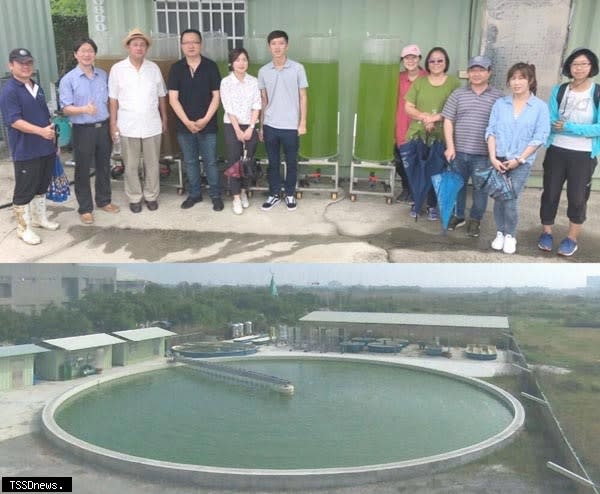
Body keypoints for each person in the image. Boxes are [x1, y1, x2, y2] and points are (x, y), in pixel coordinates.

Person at [538, 48, 600, 257]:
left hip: (583, 154)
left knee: (577, 197)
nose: (579, 68)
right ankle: (546, 232)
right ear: (569, 67)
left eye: (584, 64)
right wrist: (557, 126)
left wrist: (570, 127)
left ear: (591, 67)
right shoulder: (560, 89)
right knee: (550, 193)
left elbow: (598, 127)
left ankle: (571, 238)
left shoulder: (597, 92)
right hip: (557, 150)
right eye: (575, 64)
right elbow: (551, 119)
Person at [485, 63, 550, 254]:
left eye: (521, 78)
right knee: (498, 198)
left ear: (530, 80)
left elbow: (540, 136)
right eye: (513, 78)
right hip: (499, 158)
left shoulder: (539, 107)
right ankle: (499, 232)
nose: (516, 82)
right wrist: (492, 158)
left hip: (521, 162)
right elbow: (491, 131)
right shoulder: (501, 104)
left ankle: (510, 234)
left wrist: (519, 159)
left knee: (510, 198)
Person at [59, 37, 120, 225]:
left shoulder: (103, 74)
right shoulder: (68, 79)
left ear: (94, 54)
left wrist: (113, 125)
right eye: (82, 51)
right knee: (83, 169)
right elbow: (65, 108)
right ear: (76, 55)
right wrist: (84, 109)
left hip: (103, 127)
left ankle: (104, 201)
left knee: (103, 165)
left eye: (90, 51)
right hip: (82, 129)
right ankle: (85, 208)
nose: (87, 54)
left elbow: (111, 102)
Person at [0, 48, 57, 245]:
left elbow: (45, 116)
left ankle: (39, 218)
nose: (26, 66)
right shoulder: (9, 91)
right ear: (11, 65)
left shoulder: (36, 87)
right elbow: (14, 121)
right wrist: (41, 132)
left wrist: (52, 140)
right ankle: (23, 228)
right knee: (25, 189)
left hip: (45, 147)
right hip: (26, 150)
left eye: (28, 63)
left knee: (41, 186)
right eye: (20, 63)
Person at [442, 55, 504, 237]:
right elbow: (448, 120)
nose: (476, 74)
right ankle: (458, 216)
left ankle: (475, 219)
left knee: (480, 189)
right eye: (473, 70)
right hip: (459, 151)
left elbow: (504, 125)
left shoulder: (499, 97)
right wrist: (450, 146)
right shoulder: (458, 94)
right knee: (458, 186)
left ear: (489, 72)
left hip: (484, 154)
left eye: (481, 70)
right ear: (468, 73)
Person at [108, 28, 168, 213]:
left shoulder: (153, 68)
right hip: (127, 124)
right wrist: (113, 123)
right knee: (131, 165)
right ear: (128, 47)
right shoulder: (117, 69)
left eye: (142, 45)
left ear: (146, 48)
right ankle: (134, 197)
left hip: (152, 123)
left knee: (152, 164)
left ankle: (151, 195)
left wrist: (164, 118)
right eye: (135, 44)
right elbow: (113, 99)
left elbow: (161, 96)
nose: (139, 48)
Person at [168, 28, 223, 212]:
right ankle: (195, 194)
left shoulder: (211, 66)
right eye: (186, 42)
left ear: (200, 44)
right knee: (190, 161)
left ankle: (216, 195)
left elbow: (217, 96)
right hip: (185, 127)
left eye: (195, 42)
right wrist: (187, 122)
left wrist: (205, 120)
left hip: (208, 125)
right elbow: (173, 99)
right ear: (182, 45)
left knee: (211, 162)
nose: (191, 45)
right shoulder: (176, 68)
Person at [405, 46, 460, 220]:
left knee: (437, 172)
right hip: (417, 133)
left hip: (442, 135)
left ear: (446, 63)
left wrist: (435, 118)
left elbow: (456, 108)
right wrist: (424, 117)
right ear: (427, 63)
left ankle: (432, 205)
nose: (436, 63)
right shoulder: (420, 82)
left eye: (440, 60)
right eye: (432, 61)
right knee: (416, 171)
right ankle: (416, 202)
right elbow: (408, 106)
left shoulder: (453, 83)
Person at [258, 30, 308, 211]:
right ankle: (274, 193)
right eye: (273, 43)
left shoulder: (297, 68)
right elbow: (263, 100)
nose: (277, 47)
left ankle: (289, 193)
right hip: (270, 124)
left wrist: (302, 122)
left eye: (281, 43)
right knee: (273, 163)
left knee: (292, 162)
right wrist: (261, 126)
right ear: (269, 47)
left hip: (291, 125)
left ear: (287, 46)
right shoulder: (263, 71)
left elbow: (303, 97)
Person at [220, 48, 261, 215]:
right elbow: (228, 107)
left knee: (247, 161)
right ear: (232, 63)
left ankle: (244, 192)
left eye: (244, 59)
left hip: (250, 126)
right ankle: (236, 197)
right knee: (234, 162)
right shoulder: (226, 82)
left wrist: (251, 128)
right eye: (237, 60)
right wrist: (238, 130)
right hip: (232, 126)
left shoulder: (254, 81)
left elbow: (257, 105)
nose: (241, 63)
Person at [394, 44, 426, 203]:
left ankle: (418, 191)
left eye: (413, 57)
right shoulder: (398, 78)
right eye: (407, 58)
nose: (410, 60)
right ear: (402, 60)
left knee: (419, 160)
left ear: (419, 59)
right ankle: (407, 188)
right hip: (400, 123)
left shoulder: (427, 78)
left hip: (420, 126)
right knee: (400, 159)